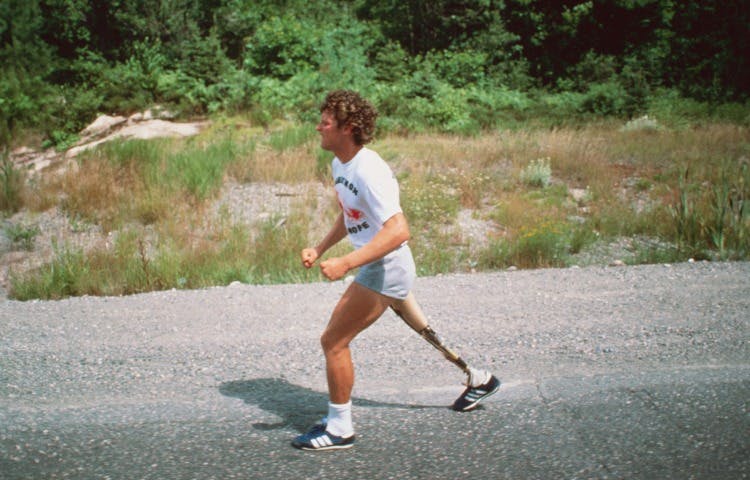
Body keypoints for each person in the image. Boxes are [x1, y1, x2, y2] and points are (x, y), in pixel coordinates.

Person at [293, 90, 500, 451]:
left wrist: (346, 263)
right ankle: (479, 378)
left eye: (325, 122)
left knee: (334, 341)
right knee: (427, 332)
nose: (318, 127)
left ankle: (340, 428)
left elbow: (399, 230)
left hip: (387, 267)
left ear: (348, 128)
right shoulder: (340, 165)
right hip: (380, 265)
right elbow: (350, 213)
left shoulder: (370, 169)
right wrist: (321, 247)